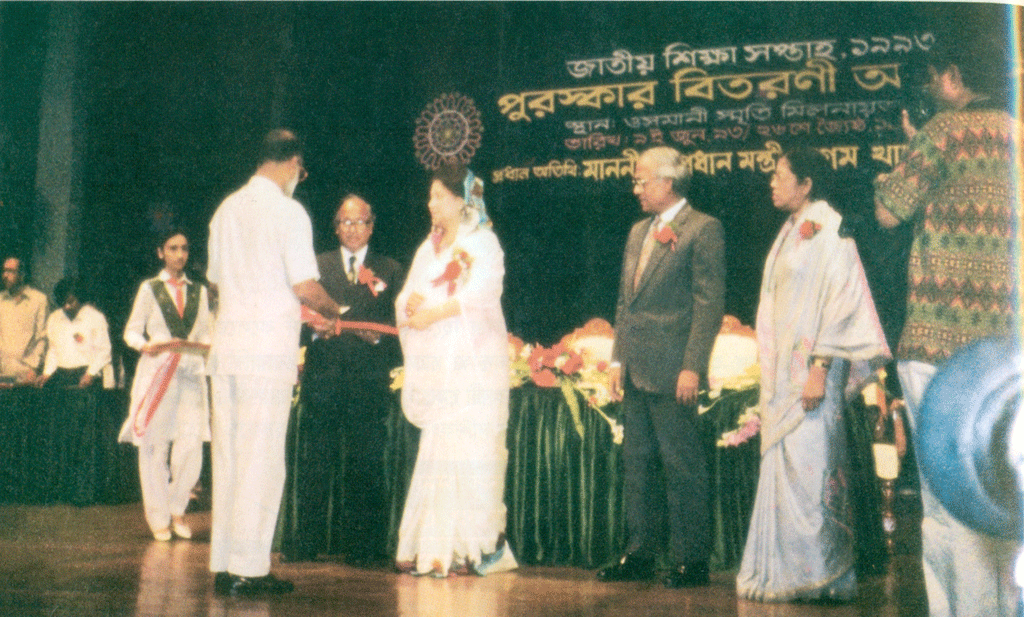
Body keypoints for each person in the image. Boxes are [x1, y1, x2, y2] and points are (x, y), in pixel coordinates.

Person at [874, 38, 1019, 617]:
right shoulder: (1017, 130)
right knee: (1002, 488)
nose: (928, 91)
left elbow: (887, 209)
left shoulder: (940, 132)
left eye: (931, 79)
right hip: (1005, 349)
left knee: (943, 498)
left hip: (938, 339)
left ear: (952, 76)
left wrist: (914, 151)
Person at [736, 147, 890, 602]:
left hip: (812, 375)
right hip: (785, 379)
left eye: (780, 175)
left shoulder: (830, 227)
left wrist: (819, 369)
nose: (771, 183)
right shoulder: (791, 230)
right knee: (788, 471)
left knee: (813, 468)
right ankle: (787, 574)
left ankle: (823, 574)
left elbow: (842, 302)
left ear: (805, 184)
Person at [206, 129, 344, 597]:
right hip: (265, 354)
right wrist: (332, 313)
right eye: (300, 172)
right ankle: (252, 568)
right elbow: (305, 285)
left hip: (226, 351)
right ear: (292, 163)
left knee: (228, 458)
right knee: (261, 461)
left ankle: (226, 563)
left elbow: (218, 284)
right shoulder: (289, 211)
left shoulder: (226, 209)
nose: (298, 180)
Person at [598, 146, 725, 588]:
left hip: (674, 372)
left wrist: (692, 366)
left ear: (668, 182)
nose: (635, 188)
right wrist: (617, 357)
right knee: (637, 465)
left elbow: (708, 307)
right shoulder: (638, 232)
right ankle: (640, 554)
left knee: (681, 465)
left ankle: (693, 560)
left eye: (641, 180)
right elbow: (624, 302)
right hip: (635, 368)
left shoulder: (703, 229)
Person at [393, 165, 517, 577]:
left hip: (475, 368)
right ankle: (433, 547)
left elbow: (481, 294)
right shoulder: (428, 249)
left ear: (462, 200)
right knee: (441, 449)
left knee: (475, 452)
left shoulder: (484, 243)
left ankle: (474, 547)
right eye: (429, 197)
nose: (430, 204)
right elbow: (409, 294)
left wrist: (434, 312)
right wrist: (411, 307)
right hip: (440, 368)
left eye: (438, 197)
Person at [288, 194, 404, 565]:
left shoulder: (391, 268)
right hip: (323, 379)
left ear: (372, 225)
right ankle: (305, 543)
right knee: (315, 462)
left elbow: (399, 323)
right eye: (345, 222)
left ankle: (365, 548)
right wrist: (318, 329)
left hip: (368, 381)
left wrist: (382, 335)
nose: (353, 229)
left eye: (360, 222)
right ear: (335, 227)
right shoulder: (315, 267)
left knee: (366, 464)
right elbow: (299, 316)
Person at [118, 229, 213, 543]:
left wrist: (207, 347)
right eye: (173, 248)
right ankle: (158, 517)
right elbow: (132, 331)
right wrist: (145, 346)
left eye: (184, 248)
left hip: (190, 372)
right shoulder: (150, 288)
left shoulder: (198, 291)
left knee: (191, 445)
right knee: (155, 445)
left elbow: (206, 334)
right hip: (158, 371)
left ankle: (178, 511)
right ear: (160, 252)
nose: (180, 254)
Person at [39, 278, 112, 389]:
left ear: (80, 298)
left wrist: (90, 374)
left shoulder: (95, 317)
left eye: (71, 302)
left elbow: (104, 350)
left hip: (87, 373)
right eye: (62, 303)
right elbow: (53, 350)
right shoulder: (54, 318)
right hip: (62, 374)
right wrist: (47, 373)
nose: (66, 307)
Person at [0, 256, 48, 384]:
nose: (5, 275)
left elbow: (42, 338)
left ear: (22, 274)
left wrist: (33, 369)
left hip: (26, 374)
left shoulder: (39, 300)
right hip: (2, 374)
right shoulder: (0, 301)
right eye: (4, 271)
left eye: (10, 271)